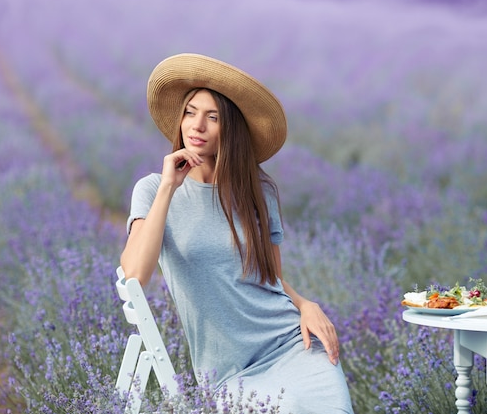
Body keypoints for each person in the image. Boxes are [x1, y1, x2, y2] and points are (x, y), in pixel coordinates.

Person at [121, 53, 354, 413]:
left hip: (293, 346)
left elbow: (270, 278)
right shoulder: (153, 190)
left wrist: (306, 305)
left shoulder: (259, 192)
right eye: (190, 112)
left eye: (212, 117)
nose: (196, 125)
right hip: (229, 372)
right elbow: (135, 274)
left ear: (230, 129)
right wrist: (169, 187)